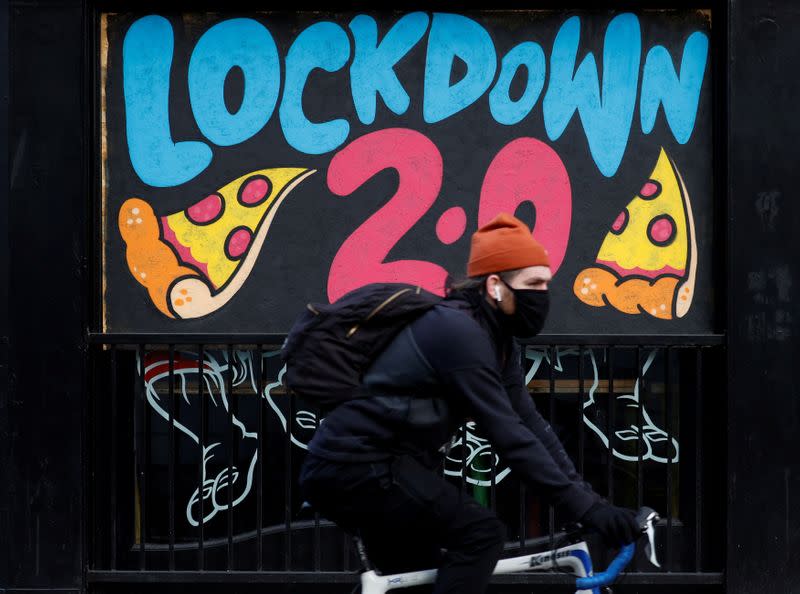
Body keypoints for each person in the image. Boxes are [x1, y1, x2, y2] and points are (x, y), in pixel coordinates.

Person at [299, 213, 639, 594]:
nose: (542, 294)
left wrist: (590, 501)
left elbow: (532, 426)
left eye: (546, 283)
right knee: (481, 535)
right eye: (533, 283)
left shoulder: (499, 343)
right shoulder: (458, 332)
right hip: (356, 467)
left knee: (419, 577)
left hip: (377, 467)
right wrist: (587, 510)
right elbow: (508, 436)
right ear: (495, 285)